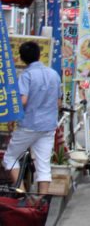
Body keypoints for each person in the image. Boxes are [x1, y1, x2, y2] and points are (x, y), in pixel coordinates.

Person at [2, 42, 60, 194]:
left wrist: (12, 117)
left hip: (29, 124)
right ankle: (41, 201)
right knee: (43, 164)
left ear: (21, 58)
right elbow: (58, 101)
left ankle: (23, 193)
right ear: (39, 55)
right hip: (48, 126)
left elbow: (23, 100)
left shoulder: (26, 75)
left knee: (10, 158)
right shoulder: (54, 74)